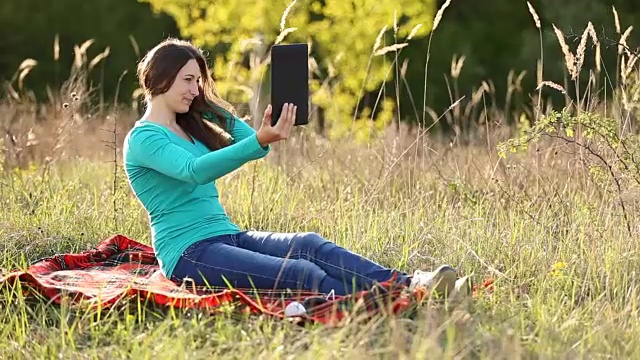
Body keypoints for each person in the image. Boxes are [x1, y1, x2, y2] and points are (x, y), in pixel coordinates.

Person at [123, 38, 463, 298]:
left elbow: (256, 147)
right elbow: (194, 170)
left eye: (198, 81)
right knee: (299, 273)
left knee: (309, 245)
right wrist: (259, 139)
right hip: (189, 253)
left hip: (227, 235)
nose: (195, 89)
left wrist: (209, 106)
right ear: (162, 78)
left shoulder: (190, 125)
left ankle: (410, 283)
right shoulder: (144, 138)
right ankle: (396, 299)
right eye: (188, 80)